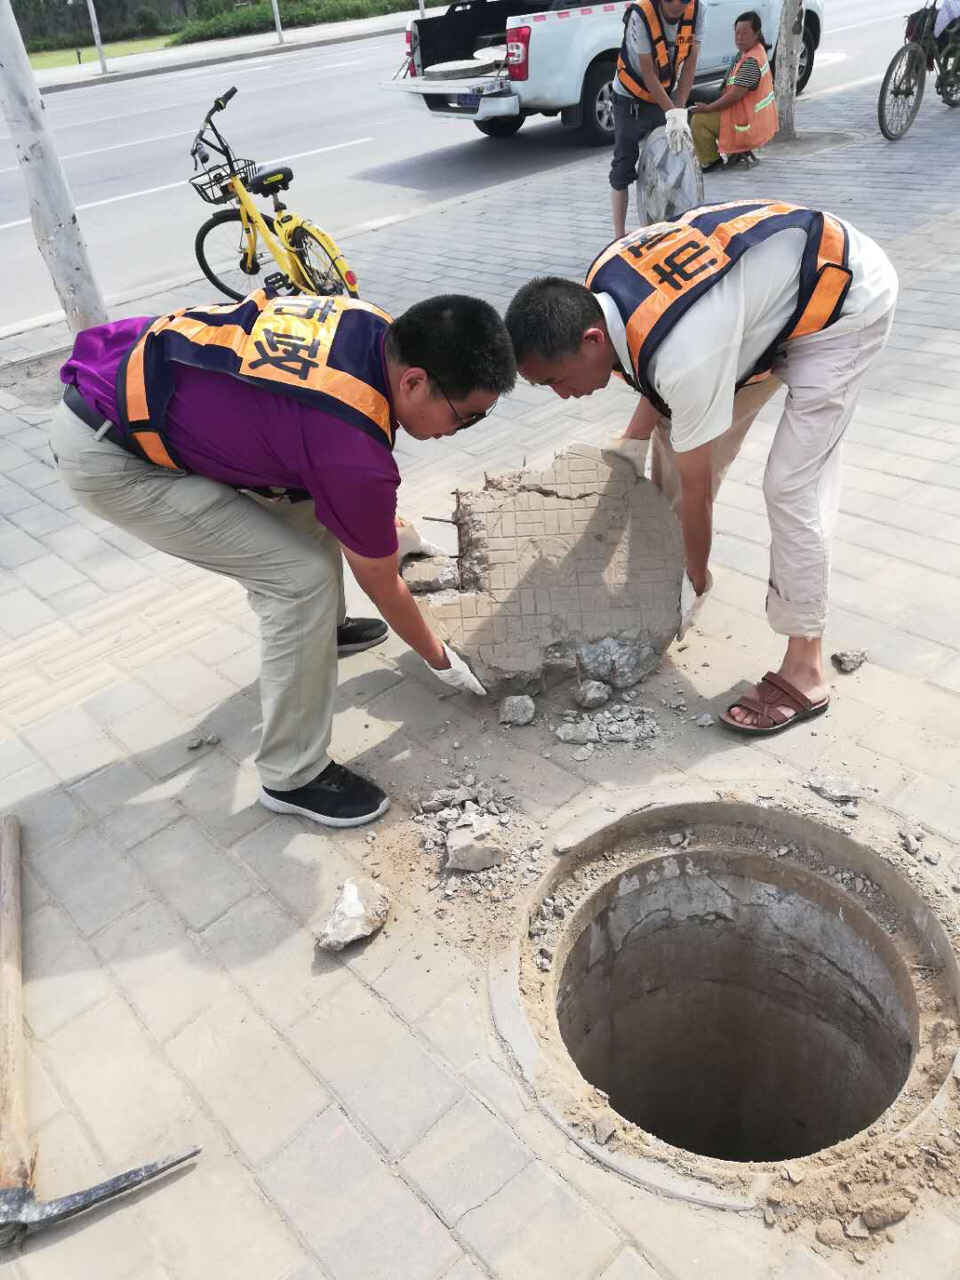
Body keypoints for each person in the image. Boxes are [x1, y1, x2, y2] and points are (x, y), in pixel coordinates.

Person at [54, 289, 516, 826]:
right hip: (114, 457)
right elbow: (381, 581)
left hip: (129, 382)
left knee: (312, 504)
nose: (458, 432)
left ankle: (324, 632)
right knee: (300, 582)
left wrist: (379, 528)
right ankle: (293, 775)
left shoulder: (370, 324)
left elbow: (331, 474)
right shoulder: (351, 446)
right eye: (465, 418)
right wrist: (441, 659)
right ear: (413, 381)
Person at [505, 199, 898, 737]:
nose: (561, 395)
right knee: (675, 435)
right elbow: (651, 364)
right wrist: (630, 446)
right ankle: (658, 579)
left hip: (842, 302)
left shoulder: (686, 356)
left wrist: (698, 574)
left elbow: (697, 484)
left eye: (555, 380)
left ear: (591, 340)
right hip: (757, 312)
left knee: (790, 486)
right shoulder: (602, 285)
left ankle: (805, 668)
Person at [611, 0, 705, 239]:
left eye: (683, 2)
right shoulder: (641, 14)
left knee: (669, 155)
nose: (677, 7)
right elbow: (648, 73)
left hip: (662, 93)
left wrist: (679, 111)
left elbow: (690, 65)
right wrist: (671, 112)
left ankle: (666, 231)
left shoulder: (697, 11)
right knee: (624, 164)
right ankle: (619, 235)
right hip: (629, 96)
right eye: (671, 2)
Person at [688, 11, 778, 173]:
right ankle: (726, 153)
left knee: (698, 120)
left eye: (745, 33)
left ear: (756, 34)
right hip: (755, 119)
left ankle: (710, 161)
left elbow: (734, 96)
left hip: (747, 125)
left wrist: (708, 108)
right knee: (694, 96)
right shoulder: (754, 52)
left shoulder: (751, 61)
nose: (739, 38)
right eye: (737, 33)